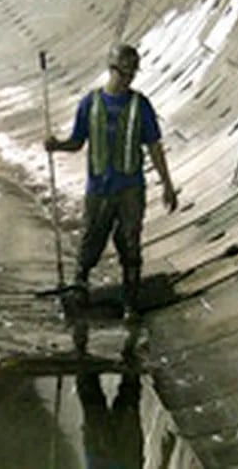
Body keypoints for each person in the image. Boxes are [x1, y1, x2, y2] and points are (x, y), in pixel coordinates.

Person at [44, 43, 177, 320]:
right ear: (111, 69)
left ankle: (130, 302)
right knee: (91, 239)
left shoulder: (140, 106)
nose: (127, 79)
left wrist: (167, 184)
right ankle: (80, 287)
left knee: (130, 243)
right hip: (99, 190)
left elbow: (154, 146)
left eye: (131, 75)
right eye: (123, 73)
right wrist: (57, 145)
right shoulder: (90, 104)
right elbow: (78, 142)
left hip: (130, 189)